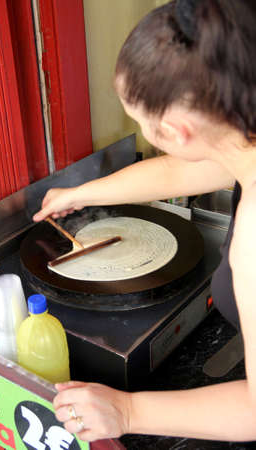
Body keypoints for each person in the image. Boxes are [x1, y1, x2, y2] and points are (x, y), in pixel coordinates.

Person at [33, 0, 256, 443]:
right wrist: (81, 194)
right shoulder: (241, 134)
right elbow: (183, 169)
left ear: (175, 132)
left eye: (140, 121)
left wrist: (126, 410)